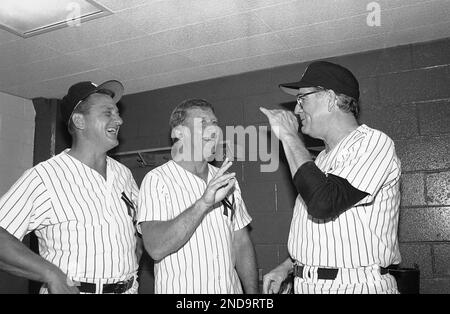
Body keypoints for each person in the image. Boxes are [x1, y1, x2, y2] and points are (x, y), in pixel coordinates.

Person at [260, 61, 401, 294]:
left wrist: (288, 136)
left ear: (330, 98)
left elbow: (324, 203)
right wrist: (289, 267)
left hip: (356, 286)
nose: (296, 110)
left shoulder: (373, 143)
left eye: (302, 98)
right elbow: (323, 231)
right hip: (308, 284)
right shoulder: (320, 160)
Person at [0, 80, 142, 294]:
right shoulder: (45, 176)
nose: (119, 119)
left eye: (117, 112)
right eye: (108, 113)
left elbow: (138, 231)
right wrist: (50, 273)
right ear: (79, 121)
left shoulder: (124, 174)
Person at [138, 99, 258, 294]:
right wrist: (203, 204)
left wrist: (253, 295)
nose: (213, 130)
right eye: (202, 123)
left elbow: (241, 243)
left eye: (214, 123)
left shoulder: (226, 180)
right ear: (179, 133)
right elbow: (155, 248)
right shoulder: (157, 180)